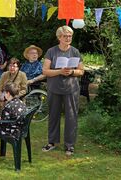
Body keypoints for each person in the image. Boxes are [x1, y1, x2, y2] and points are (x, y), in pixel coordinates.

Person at [42, 25, 84, 156]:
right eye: (65, 36)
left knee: (71, 117)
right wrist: (59, 71)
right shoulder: (51, 51)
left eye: (70, 36)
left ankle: (69, 145)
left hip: (71, 89)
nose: (68, 38)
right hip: (54, 88)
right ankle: (52, 142)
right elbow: (45, 71)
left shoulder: (75, 52)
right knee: (53, 116)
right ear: (59, 37)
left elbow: (81, 71)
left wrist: (71, 71)